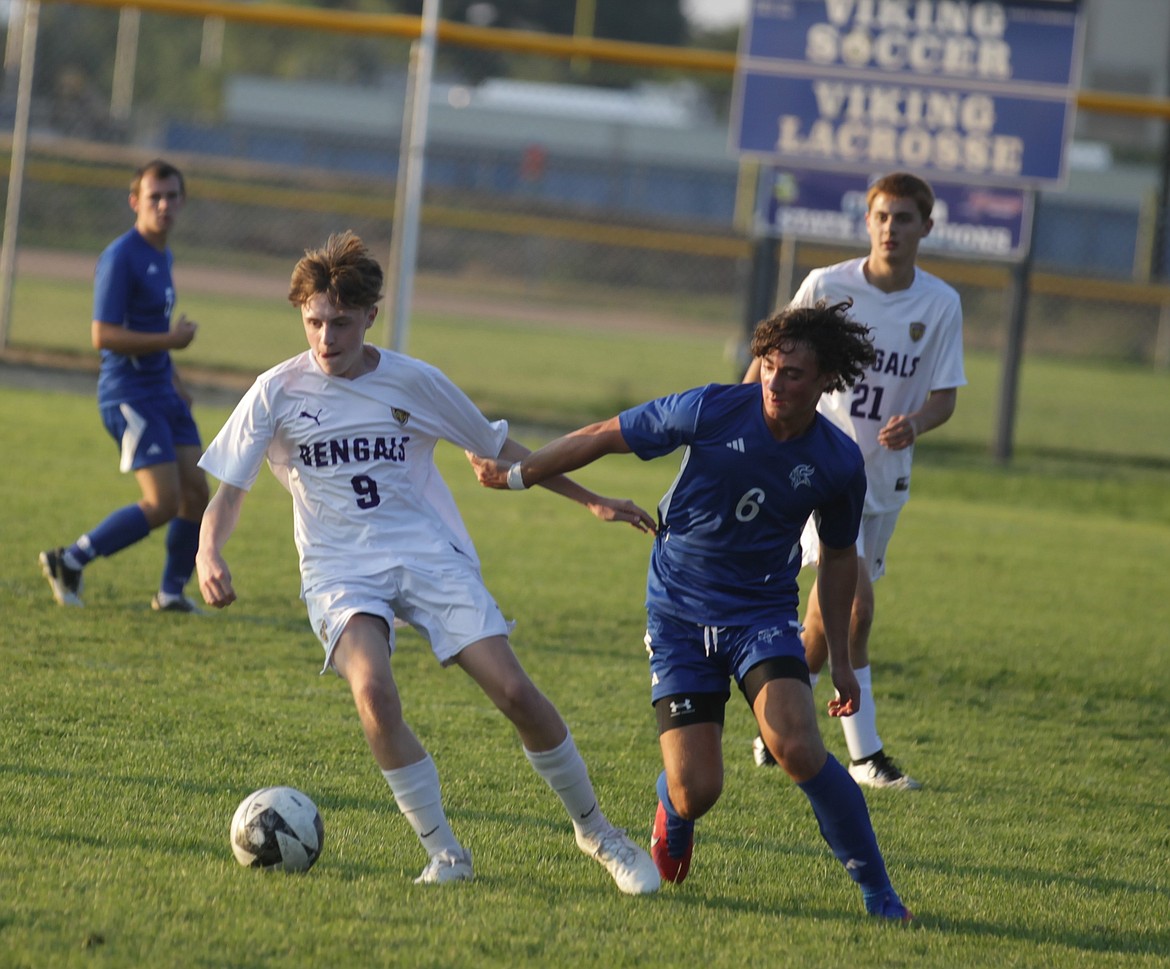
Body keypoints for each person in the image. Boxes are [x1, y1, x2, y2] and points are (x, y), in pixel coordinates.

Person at [195, 230, 660, 893]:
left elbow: (502, 452)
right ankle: (446, 851)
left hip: (425, 554)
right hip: (338, 570)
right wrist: (208, 549)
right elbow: (228, 495)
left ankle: (598, 832)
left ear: (370, 316)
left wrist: (588, 499)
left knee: (515, 692)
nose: (326, 337)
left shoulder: (414, 381)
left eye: (341, 322)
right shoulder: (276, 392)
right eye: (314, 322)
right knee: (373, 693)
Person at [469, 300, 912, 920]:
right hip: (677, 612)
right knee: (697, 788)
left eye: (794, 375)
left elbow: (839, 560)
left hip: (762, 612)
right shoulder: (710, 408)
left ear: (825, 381)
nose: (776, 384)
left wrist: (839, 659)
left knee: (797, 746)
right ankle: (674, 810)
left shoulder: (838, 462)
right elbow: (604, 435)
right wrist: (519, 474)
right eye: (770, 367)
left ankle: (880, 895)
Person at [745, 171, 966, 790]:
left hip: (883, 480)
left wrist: (915, 424)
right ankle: (865, 757)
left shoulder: (940, 303)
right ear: (867, 222)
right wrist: (737, 429)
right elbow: (770, 356)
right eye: (882, 217)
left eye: (904, 218)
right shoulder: (827, 286)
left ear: (927, 226)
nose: (891, 228)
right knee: (856, 610)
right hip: (818, 467)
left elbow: (945, 397)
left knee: (824, 620)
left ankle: (776, 727)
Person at [40, 159, 209, 612]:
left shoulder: (162, 254)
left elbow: (148, 326)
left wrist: (174, 377)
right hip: (129, 395)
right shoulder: (121, 256)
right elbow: (103, 335)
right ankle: (70, 558)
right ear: (135, 201)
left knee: (197, 492)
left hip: (161, 391)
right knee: (163, 502)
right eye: (155, 196)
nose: (164, 205)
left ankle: (171, 592)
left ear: (182, 201)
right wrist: (172, 340)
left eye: (172, 196)